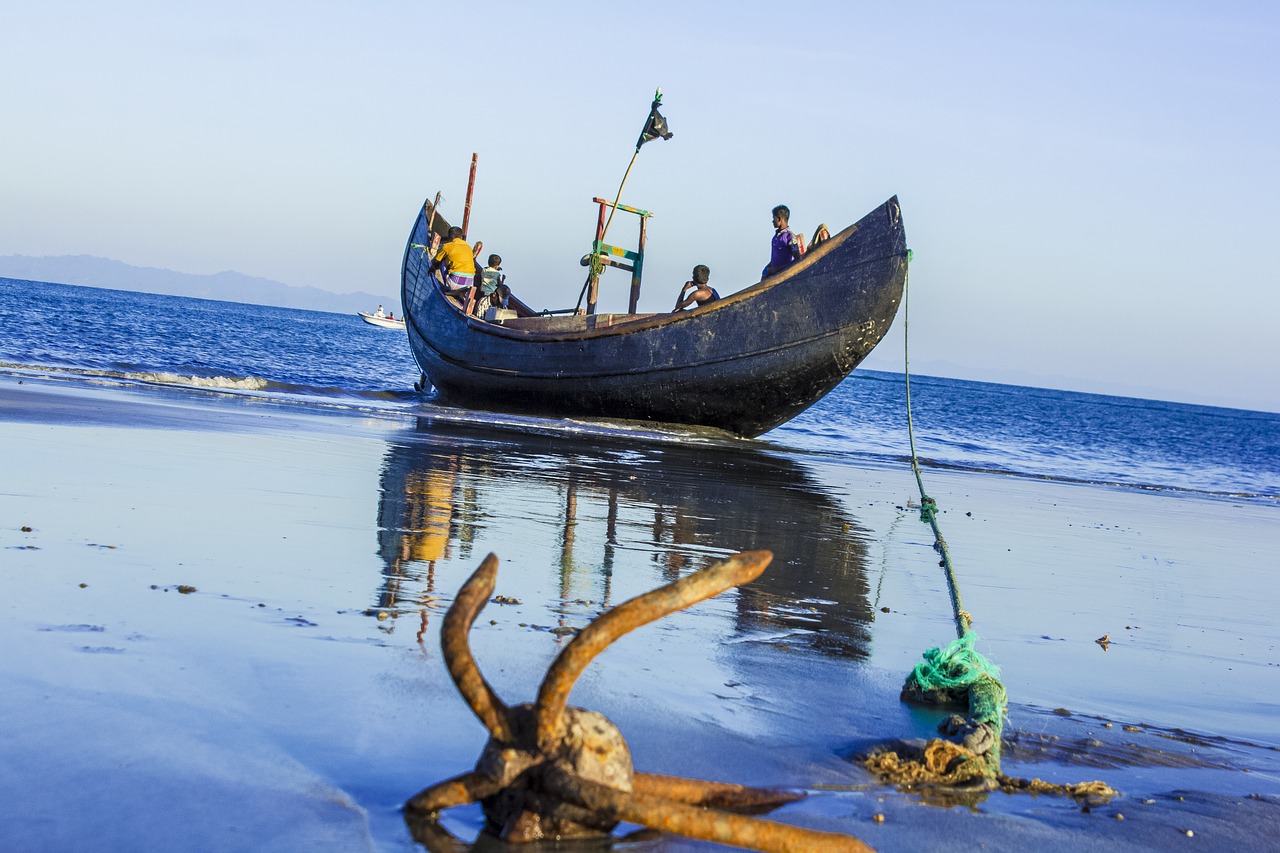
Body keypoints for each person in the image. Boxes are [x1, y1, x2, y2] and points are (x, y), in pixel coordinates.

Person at [430, 226, 476, 294]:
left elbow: (436, 260)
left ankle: (449, 288)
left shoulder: (447, 246)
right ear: (461, 237)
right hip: (470, 282)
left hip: (455, 283)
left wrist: (432, 268)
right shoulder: (468, 247)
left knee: (442, 261)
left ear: (449, 237)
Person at [762, 204, 804, 279]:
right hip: (773, 275)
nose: (772, 221)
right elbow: (774, 259)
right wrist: (767, 269)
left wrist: (777, 269)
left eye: (773, 218)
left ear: (779, 219)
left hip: (783, 276)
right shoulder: (775, 238)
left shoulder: (790, 237)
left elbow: (798, 259)